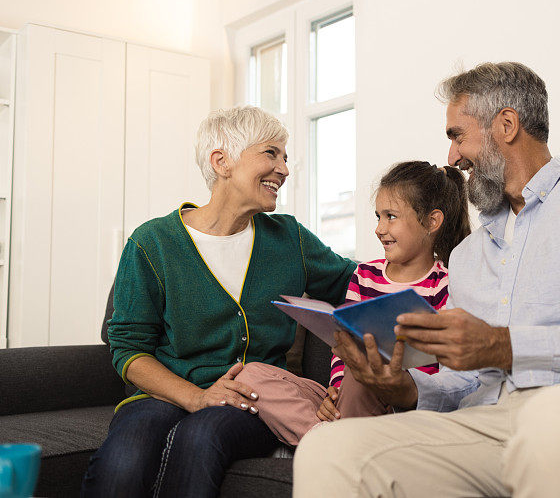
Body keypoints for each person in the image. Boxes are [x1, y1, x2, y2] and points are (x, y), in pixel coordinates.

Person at [293, 62, 560, 497]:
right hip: (495, 423)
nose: (452, 159)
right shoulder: (467, 256)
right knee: (329, 448)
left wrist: (505, 344)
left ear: (507, 124)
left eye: (457, 135)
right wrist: (404, 387)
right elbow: (468, 383)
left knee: (553, 424)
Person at [81, 106, 355, 498]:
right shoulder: (152, 243)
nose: (284, 169)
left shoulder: (289, 237)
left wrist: (425, 265)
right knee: (124, 463)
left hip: (253, 398)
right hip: (164, 394)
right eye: (271, 153)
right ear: (221, 161)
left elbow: (356, 282)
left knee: (201, 437)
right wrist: (196, 396)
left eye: (285, 157)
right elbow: (128, 350)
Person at [234, 160, 471, 442]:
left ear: (431, 222)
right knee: (251, 375)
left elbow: (441, 373)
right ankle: (326, 437)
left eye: (391, 217)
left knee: (363, 373)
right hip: (348, 396)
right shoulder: (364, 275)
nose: (379, 228)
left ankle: (334, 442)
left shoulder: (445, 284)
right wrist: (334, 392)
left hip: (402, 408)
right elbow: (340, 348)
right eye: (378, 217)